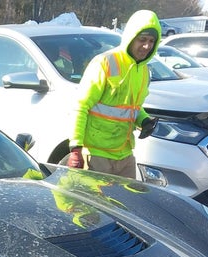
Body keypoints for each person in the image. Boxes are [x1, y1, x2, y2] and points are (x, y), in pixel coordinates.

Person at [67, 9, 161, 178]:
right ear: (131, 37)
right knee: (93, 197)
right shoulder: (105, 62)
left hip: (124, 155)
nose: (147, 46)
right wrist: (76, 149)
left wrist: (144, 120)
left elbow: (132, 107)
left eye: (151, 41)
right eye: (142, 40)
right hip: (96, 155)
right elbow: (80, 106)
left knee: (126, 196)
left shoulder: (144, 71)